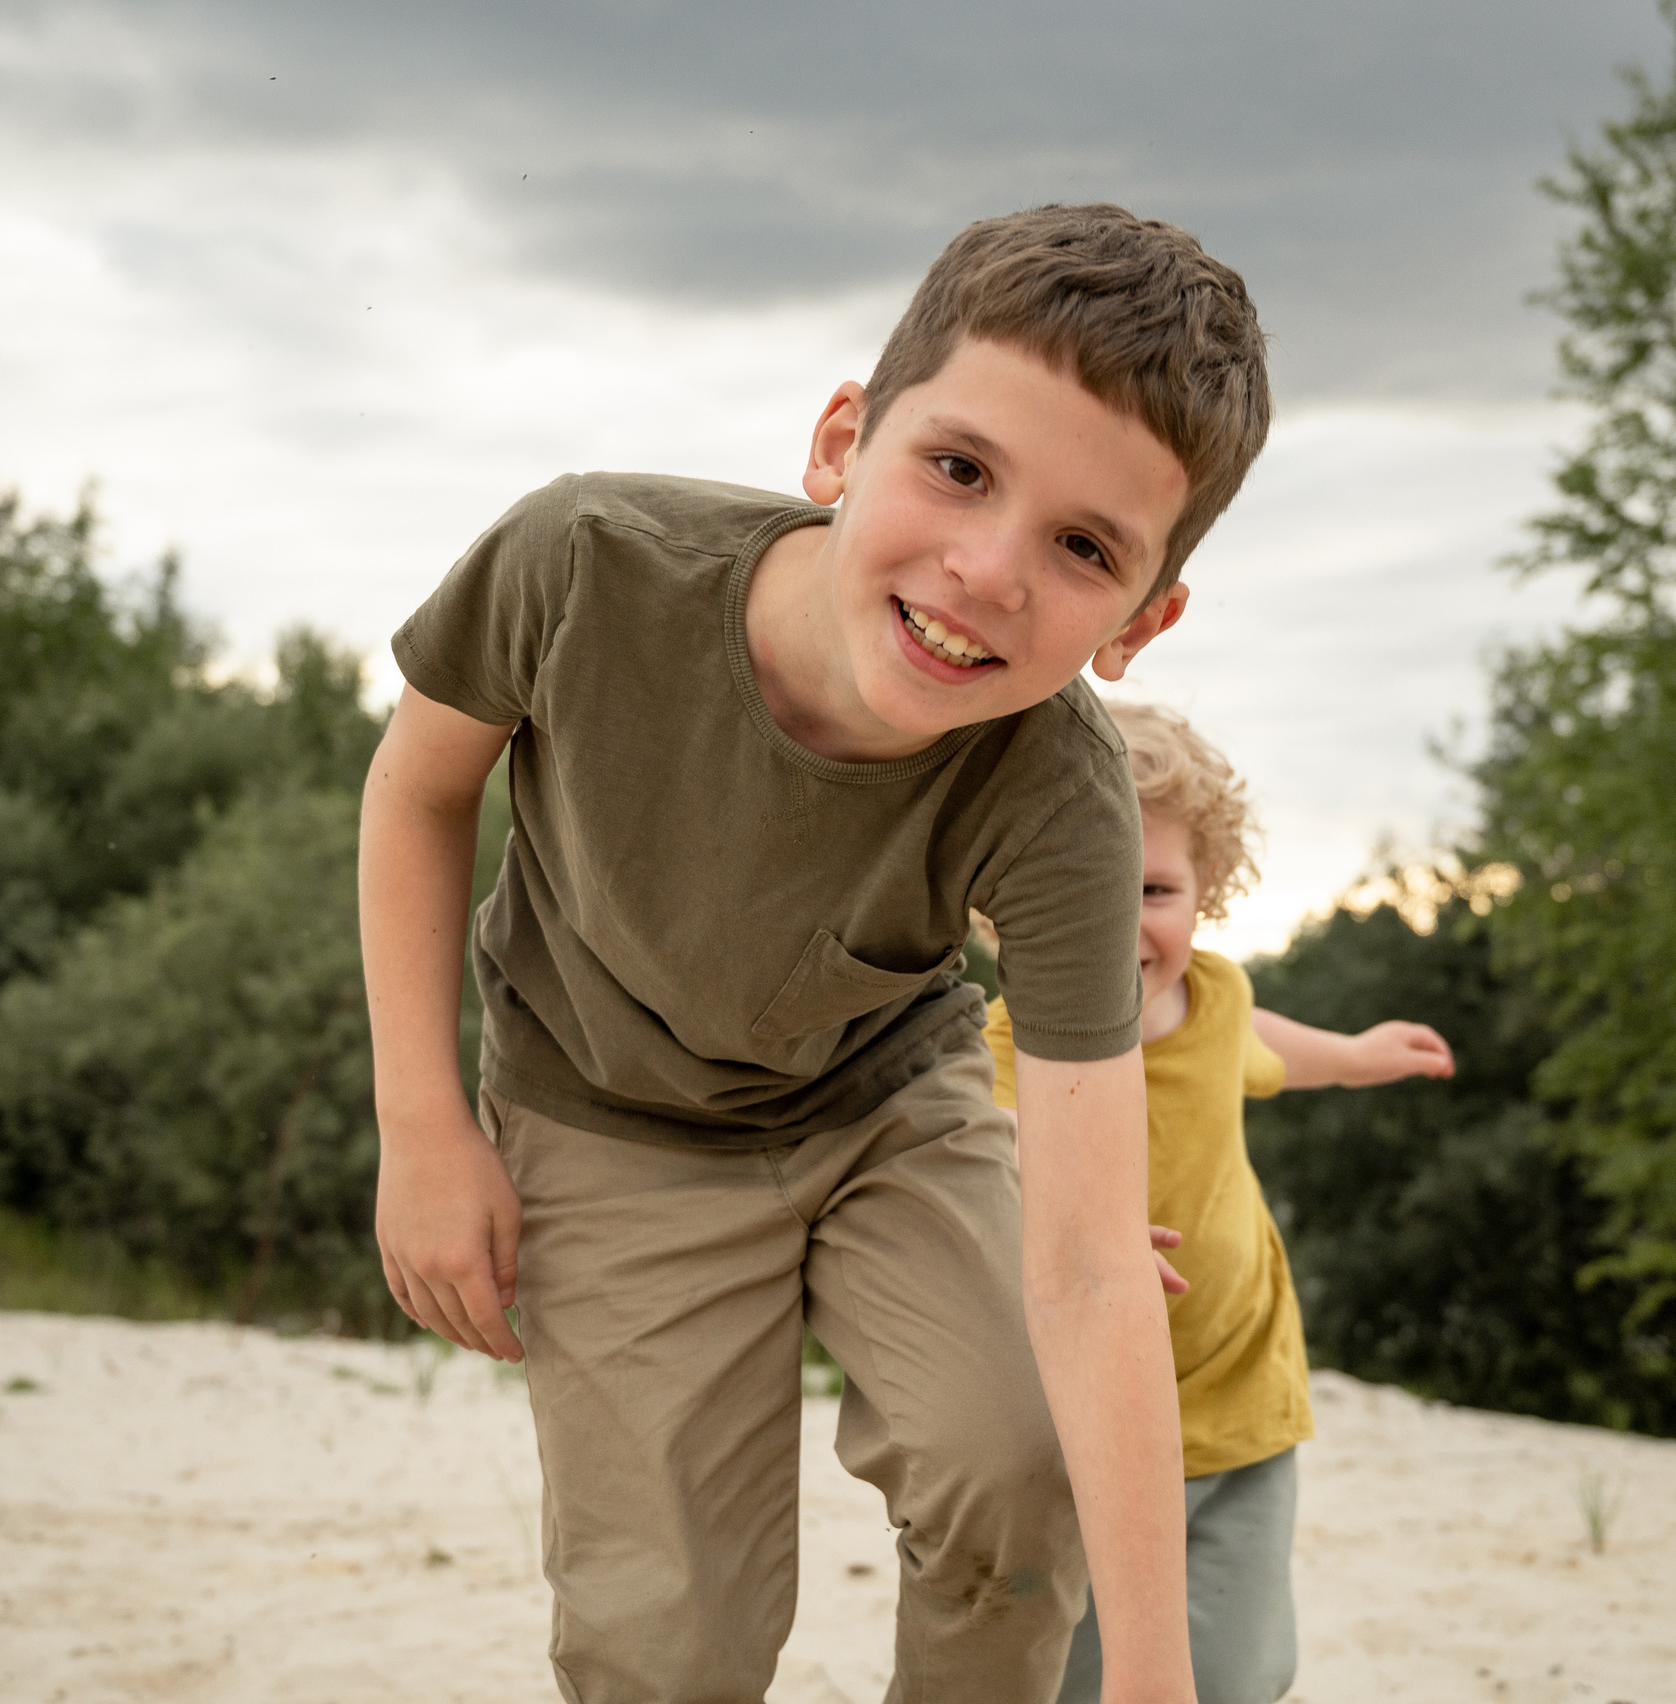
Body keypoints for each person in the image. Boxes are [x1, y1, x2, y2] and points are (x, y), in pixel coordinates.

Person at [357, 204, 1272, 1704]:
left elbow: (1095, 1266)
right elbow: (419, 788)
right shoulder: (584, 561)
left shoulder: (1063, 799)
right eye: (959, 469)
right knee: (664, 1640)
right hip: (606, 1111)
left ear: (1141, 622)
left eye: (1084, 546)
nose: (987, 569)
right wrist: (421, 1123)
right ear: (844, 440)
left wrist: (1156, 1681)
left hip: (880, 1105)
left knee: (1015, 1458)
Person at [981, 703, 1456, 1704]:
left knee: (1240, 1671)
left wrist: (1361, 1056)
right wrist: (1057, 1205)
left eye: (1153, 888)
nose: (1120, 920)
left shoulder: (1218, 998)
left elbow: (1270, 1044)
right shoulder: (1003, 1040)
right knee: (1075, 1673)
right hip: (1083, 1422)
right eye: (1084, 884)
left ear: (1208, 892)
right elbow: (977, 1146)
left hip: (1237, 1391)